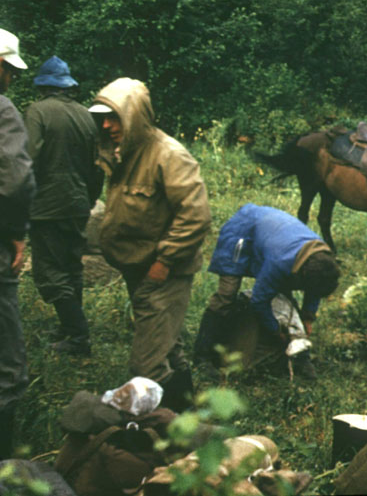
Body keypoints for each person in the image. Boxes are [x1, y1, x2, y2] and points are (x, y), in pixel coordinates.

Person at [88, 77, 211, 412]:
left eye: (115, 118)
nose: (108, 125)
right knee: (168, 347)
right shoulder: (123, 153)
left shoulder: (169, 155)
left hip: (164, 271)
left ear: (135, 117)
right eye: (103, 119)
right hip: (137, 266)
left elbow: (196, 215)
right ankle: (188, 417)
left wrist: (165, 261)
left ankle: (161, 432)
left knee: (146, 364)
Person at [194, 204, 340, 379]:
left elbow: (315, 289)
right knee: (226, 295)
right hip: (243, 229)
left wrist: (308, 316)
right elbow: (259, 300)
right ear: (302, 275)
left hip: (274, 235)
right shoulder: (279, 263)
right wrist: (274, 329)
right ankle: (202, 356)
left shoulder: (323, 259)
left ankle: (298, 356)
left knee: (284, 298)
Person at [24, 56, 101, 356]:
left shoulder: (37, 111)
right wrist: (91, 198)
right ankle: (68, 327)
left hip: (47, 206)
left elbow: (28, 159)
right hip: (79, 203)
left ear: (43, 85)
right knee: (71, 267)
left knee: (49, 272)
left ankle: (79, 337)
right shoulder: (85, 115)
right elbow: (97, 165)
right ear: (68, 86)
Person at [0, 28, 36, 459]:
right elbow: (14, 179)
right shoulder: (3, 110)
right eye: (8, 69)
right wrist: (15, 233)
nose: (10, 79)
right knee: (8, 366)